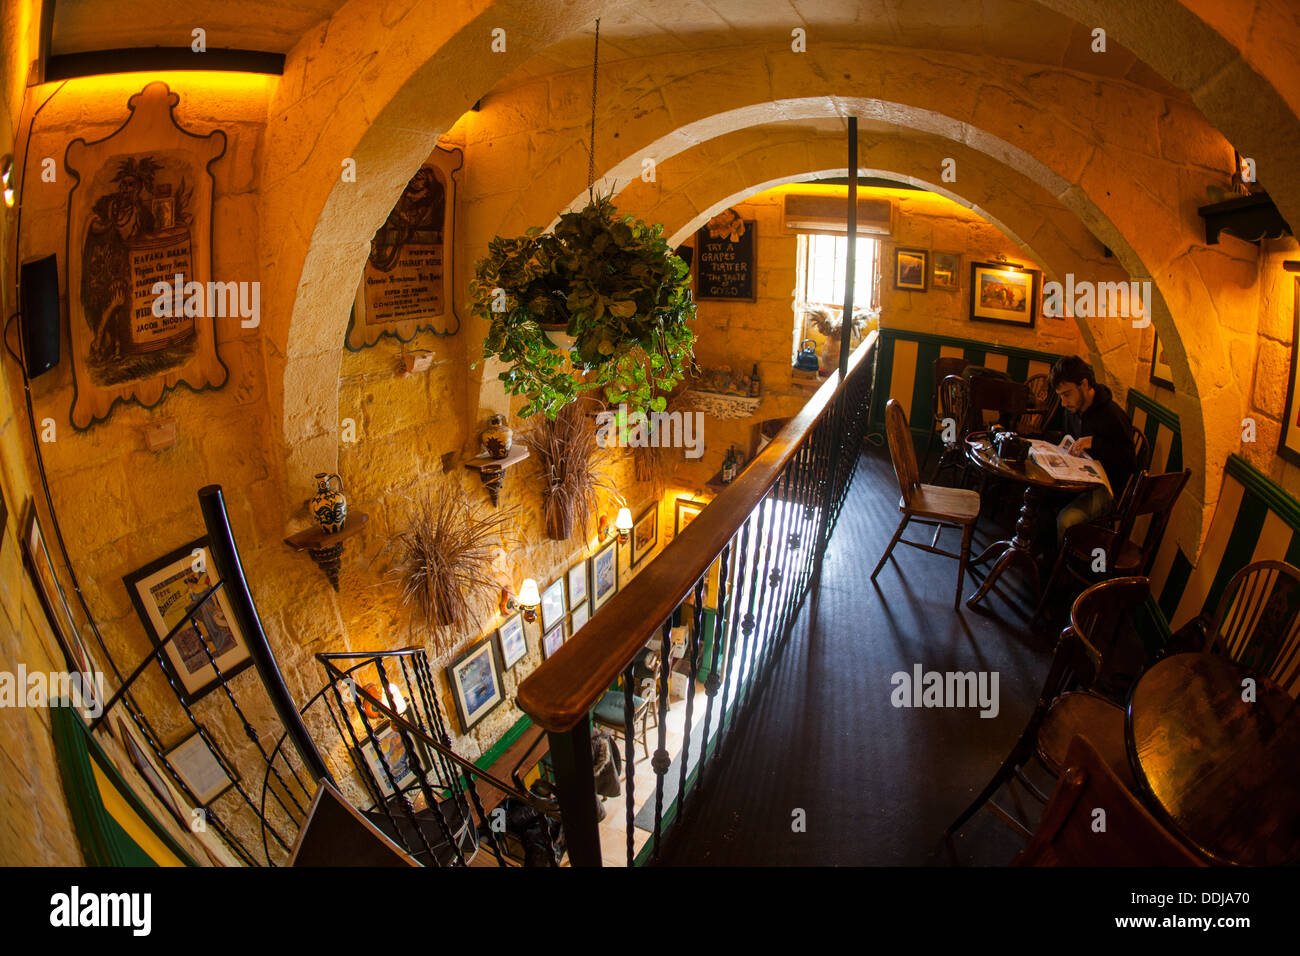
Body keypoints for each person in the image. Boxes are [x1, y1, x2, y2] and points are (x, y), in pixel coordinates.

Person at [1049, 355, 1138, 545]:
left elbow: (1130, 461)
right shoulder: (1072, 409)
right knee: (1039, 495)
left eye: (1066, 394)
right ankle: (1043, 555)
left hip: (1105, 489)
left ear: (1084, 384)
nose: (1063, 403)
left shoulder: (1112, 415)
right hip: (1076, 480)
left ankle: (1061, 569)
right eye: (1060, 396)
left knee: (1066, 521)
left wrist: (1095, 443)